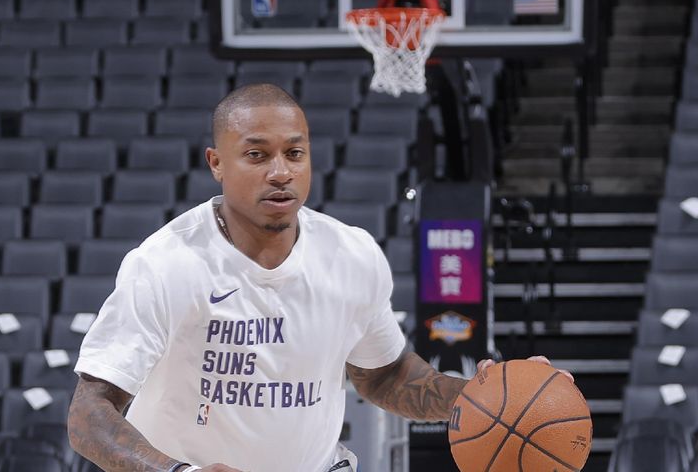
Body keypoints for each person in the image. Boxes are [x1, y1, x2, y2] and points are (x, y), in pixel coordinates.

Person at [68, 83, 571, 472]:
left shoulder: (351, 254)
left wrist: (479, 398)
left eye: (294, 152)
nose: (281, 172)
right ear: (217, 164)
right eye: (257, 154)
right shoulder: (163, 264)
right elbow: (89, 416)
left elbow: (386, 376)